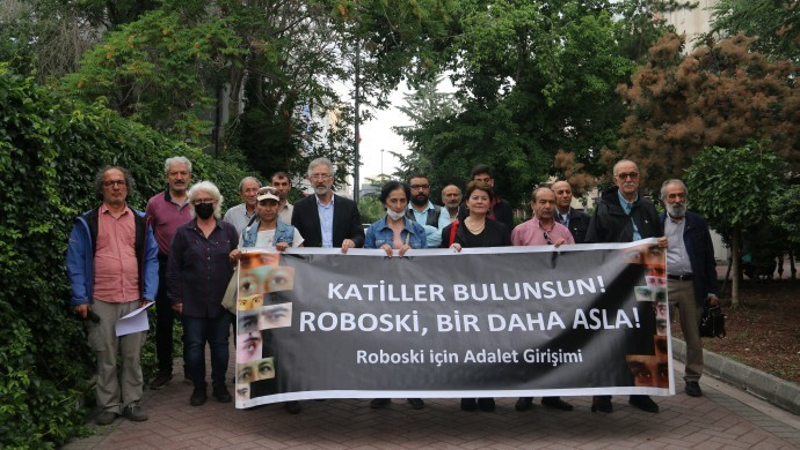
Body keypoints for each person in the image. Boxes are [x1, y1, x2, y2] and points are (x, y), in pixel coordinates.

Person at [67, 166, 158, 425]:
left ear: (127, 187)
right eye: (109, 183)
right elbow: (75, 261)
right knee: (105, 355)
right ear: (101, 189)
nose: (115, 187)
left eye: (120, 182)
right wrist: (80, 297)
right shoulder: (87, 222)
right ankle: (109, 405)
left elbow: (151, 258)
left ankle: (132, 402)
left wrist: (149, 292)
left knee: (132, 355)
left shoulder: (141, 220)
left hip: (134, 300)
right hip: (101, 300)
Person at [585, 159, 667, 414]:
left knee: (642, 337)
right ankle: (602, 396)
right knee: (608, 338)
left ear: (639, 178)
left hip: (645, 283)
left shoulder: (648, 208)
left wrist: (661, 244)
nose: (629, 179)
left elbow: (656, 242)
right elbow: (592, 247)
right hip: (614, 285)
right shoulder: (603, 208)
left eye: (633, 174)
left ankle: (639, 393)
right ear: (615, 180)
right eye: (623, 176)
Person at [229, 185, 305, 413]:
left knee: (283, 344)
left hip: (281, 295)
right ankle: (255, 394)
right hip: (252, 295)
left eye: (273, 204)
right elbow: (240, 263)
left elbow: (304, 261)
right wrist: (234, 256)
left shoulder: (291, 232)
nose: (268, 208)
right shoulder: (246, 233)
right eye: (264, 204)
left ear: (278, 207)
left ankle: (288, 394)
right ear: (257, 206)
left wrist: (289, 250)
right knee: (253, 344)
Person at [167, 181, 239, 407]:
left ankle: (219, 386)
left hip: (221, 301)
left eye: (207, 200)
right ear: (192, 204)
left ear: (216, 202)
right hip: (192, 301)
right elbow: (173, 268)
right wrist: (176, 299)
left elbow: (240, 265)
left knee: (220, 346)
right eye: (198, 201)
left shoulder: (229, 231)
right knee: (194, 347)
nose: (203, 204)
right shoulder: (183, 233)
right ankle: (199, 387)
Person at [441, 181, 511, 412]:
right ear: (467, 202)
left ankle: (487, 393)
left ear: (490, 204)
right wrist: (450, 253)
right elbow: (439, 267)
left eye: (484, 198)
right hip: (461, 299)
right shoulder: (450, 231)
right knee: (465, 347)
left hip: (491, 298)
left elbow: (510, 263)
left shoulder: (501, 229)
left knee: (489, 347)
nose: (480, 202)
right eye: (475, 198)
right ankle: (467, 392)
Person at [510, 187, 575, 413]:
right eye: (542, 202)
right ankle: (526, 394)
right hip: (529, 299)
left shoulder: (564, 232)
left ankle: (552, 395)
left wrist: (566, 252)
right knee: (529, 347)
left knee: (555, 346)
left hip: (556, 300)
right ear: (533, 205)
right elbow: (511, 265)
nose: (547, 206)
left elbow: (577, 264)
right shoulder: (520, 231)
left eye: (551, 202)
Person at [365, 181, 428, 410]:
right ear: (385, 202)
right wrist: (376, 253)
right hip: (383, 295)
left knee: (411, 343)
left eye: (403, 200)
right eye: (393, 200)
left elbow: (428, 265)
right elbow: (363, 265)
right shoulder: (373, 230)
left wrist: (415, 254)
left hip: (411, 295)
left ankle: (412, 389)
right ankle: (384, 390)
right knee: (383, 344)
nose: (398, 205)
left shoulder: (418, 230)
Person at [659, 179, 719, 397]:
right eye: (672, 196)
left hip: (692, 285)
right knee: (658, 332)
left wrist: (712, 290)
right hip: (665, 283)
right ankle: (659, 376)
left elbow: (708, 258)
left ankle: (693, 379)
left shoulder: (697, 222)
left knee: (693, 336)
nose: (677, 200)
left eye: (681, 195)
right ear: (664, 200)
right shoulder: (655, 223)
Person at [145, 156, 193, 390]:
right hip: (164, 268)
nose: (179, 177)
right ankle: (164, 370)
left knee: (192, 321)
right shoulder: (154, 203)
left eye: (183, 173)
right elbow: (148, 236)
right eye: (174, 173)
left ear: (190, 176)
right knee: (164, 322)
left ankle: (191, 368)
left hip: (191, 269)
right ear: (167, 177)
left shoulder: (199, 201)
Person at [291, 157, 365, 252]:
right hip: (312, 260)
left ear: (332, 179)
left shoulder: (349, 206)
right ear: (310, 179)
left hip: (342, 259)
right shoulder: (300, 207)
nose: (320, 180)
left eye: (324, 175)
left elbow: (359, 236)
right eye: (316, 176)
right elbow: (294, 237)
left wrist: (353, 242)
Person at [458, 164, 515, 231]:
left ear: (492, 182)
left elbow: (508, 232)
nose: (483, 183)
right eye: (478, 180)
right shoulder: (464, 207)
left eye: (486, 180)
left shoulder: (504, 206)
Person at [405, 173, 450, 247]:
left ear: (429, 188)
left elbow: (445, 235)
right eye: (416, 186)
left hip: (436, 254)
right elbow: (398, 238)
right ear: (408, 189)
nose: (421, 190)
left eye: (425, 186)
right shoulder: (402, 212)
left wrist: (413, 242)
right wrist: (432, 230)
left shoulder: (441, 211)